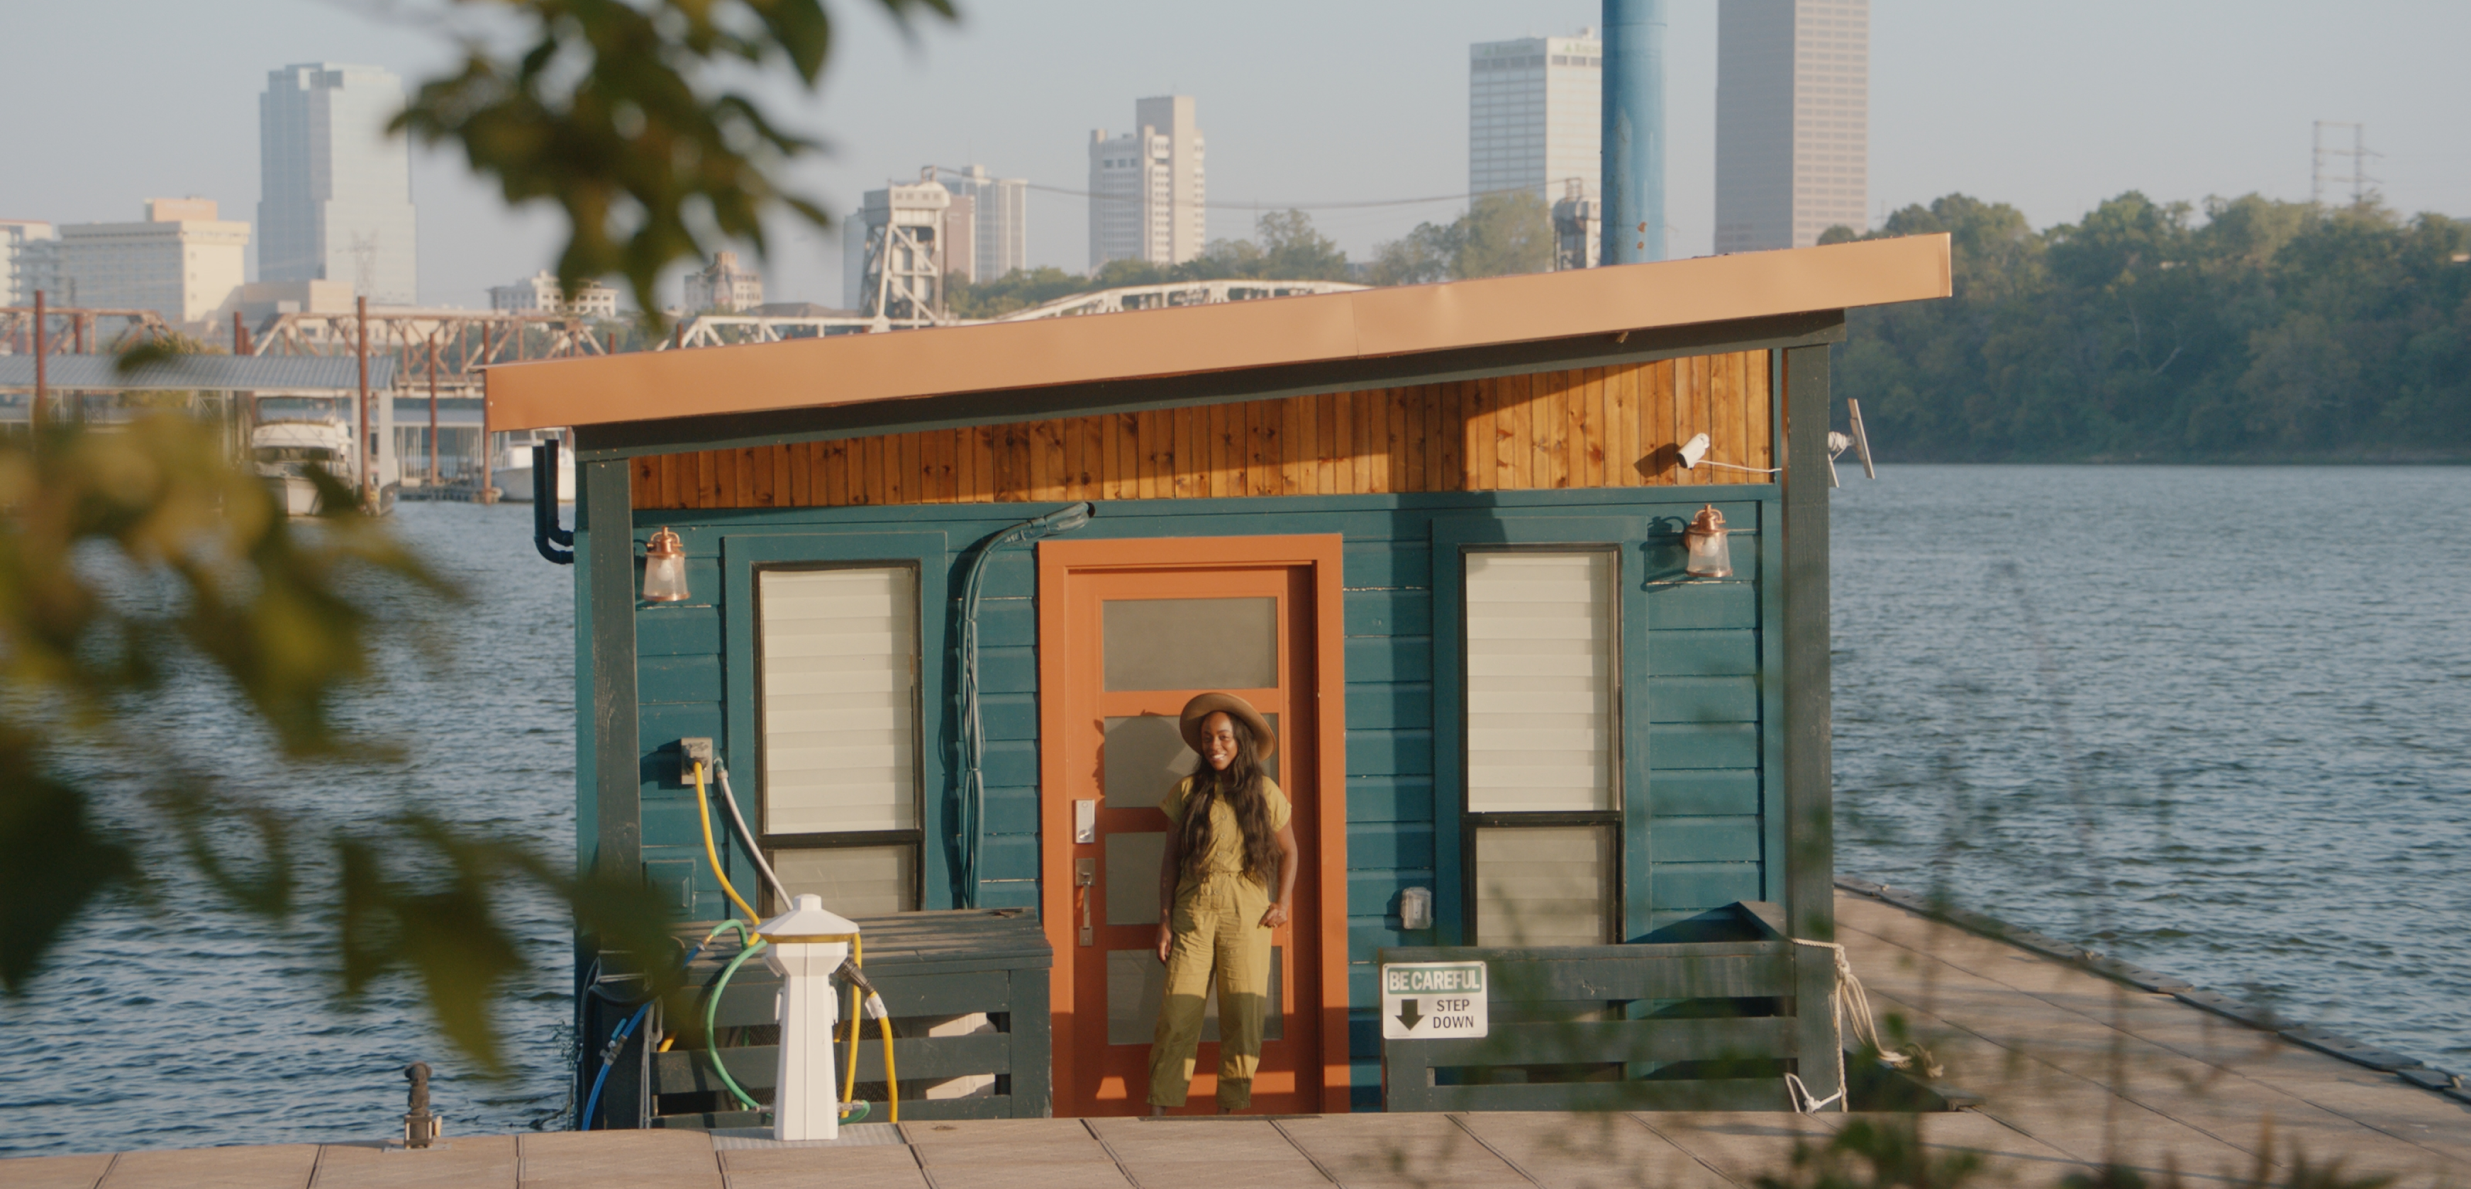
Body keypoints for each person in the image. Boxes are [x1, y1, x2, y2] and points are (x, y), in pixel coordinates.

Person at [1147, 692, 1299, 1115]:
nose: (1215, 745)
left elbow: (1290, 852)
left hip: (1246, 914)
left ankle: (1233, 1107)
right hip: (1192, 913)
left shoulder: (1265, 792)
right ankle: (1161, 1105)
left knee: (1243, 1013)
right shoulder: (1187, 791)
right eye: (1208, 737)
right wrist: (1164, 922)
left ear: (1241, 741)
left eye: (1224, 737)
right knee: (1178, 1011)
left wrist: (1282, 903)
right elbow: (1169, 860)